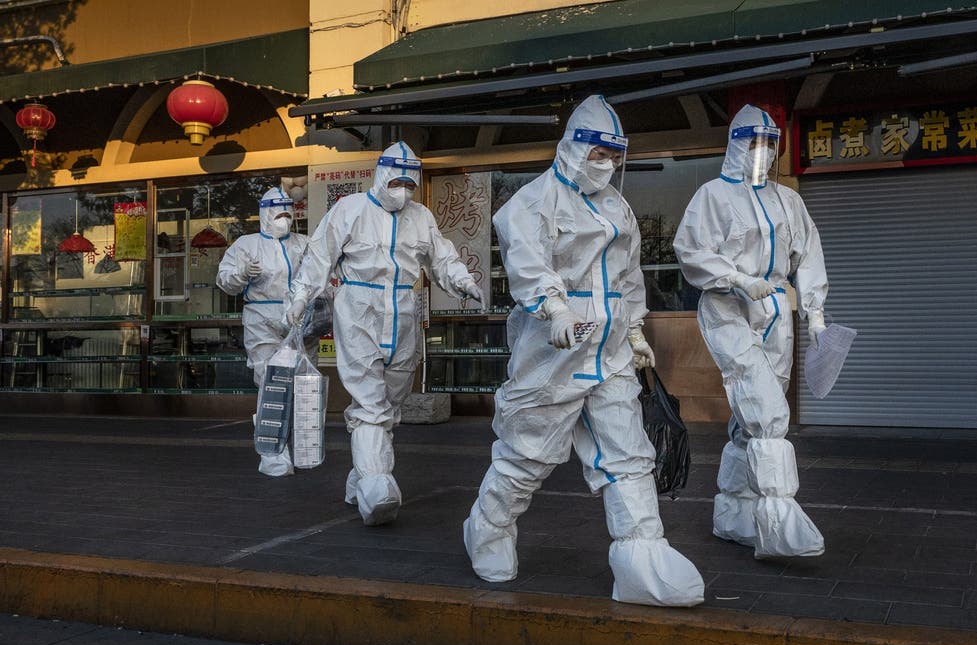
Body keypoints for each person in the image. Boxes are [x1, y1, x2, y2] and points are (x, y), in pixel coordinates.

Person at [462, 95, 704, 607]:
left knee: (628, 456)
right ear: (572, 145)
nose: (606, 165)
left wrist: (636, 331)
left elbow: (629, 276)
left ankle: (642, 557)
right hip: (552, 356)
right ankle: (488, 527)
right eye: (597, 153)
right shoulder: (531, 202)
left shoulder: (618, 207)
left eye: (613, 156)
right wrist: (555, 310)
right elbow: (529, 265)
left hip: (610, 353)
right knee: (526, 455)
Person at [287, 141, 482, 526]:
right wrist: (299, 296)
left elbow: (441, 256)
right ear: (380, 174)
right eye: (397, 180)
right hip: (359, 307)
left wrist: (461, 281)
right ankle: (377, 486)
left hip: (404, 311)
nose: (403, 190)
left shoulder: (421, 217)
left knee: (391, 405)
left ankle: (360, 476)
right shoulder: (351, 210)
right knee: (371, 401)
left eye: (410, 183)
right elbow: (319, 254)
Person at [673, 104, 829, 560]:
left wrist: (814, 313)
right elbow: (689, 250)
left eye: (769, 144)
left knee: (752, 418)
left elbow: (809, 252)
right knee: (766, 411)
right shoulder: (712, 196)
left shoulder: (788, 200)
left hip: (777, 309)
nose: (763, 152)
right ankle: (778, 518)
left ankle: (733, 514)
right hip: (727, 307)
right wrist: (738, 278)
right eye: (754, 143)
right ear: (736, 145)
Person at [217, 187, 314, 477]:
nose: (284, 218)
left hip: (300, 320)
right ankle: (272, 453)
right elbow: (225, 281)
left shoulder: (305, 243)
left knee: (303, 385)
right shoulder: (246, 246)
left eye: (288, 213)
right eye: (279, 213)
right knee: (270, 384)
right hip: (262, 319)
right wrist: (242, 273)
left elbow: (319, 274)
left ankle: (303, 448)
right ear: (265, 215)